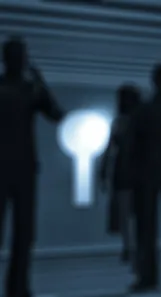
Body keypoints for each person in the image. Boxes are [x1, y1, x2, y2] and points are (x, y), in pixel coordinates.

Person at [0, 36, 64, 297]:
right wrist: (40, 83)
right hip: (14, 169)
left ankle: (18, 289)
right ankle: (18, 289)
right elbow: (57, 115)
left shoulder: (31, 89)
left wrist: (41, 83)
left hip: (24, 169)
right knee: (22, 234)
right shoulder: (26, 89)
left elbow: (57, 115)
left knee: (24, 234)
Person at [125, 64, 161, 293]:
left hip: (152, 174)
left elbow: (132, 144)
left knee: (148, 229)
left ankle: (150, 276)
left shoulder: (147, 109)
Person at [99, 84, 142, 264]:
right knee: (131, 213)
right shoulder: (132, 121)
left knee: (127, 213)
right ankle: (131, 247)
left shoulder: (122, 122)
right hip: (131, 171)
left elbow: (110, 149)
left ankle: (130, 248)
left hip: (126, 171)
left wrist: (103, 171)